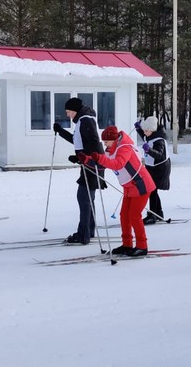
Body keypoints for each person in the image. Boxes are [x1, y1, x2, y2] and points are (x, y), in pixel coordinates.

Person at [80, 126, 156, 256]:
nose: (105, 144)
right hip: (129, 186)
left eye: (106, 142)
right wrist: (85, 160)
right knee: (124, 216)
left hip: (141, 185)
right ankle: (127, 245)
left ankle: (142, 246)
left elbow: (117, 164)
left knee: (134, 216)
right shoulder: (112, 149)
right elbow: (103, 163)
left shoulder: (124, 147)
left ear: (113, 139)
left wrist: (99, 158)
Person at [53, 97, 106, 245]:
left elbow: (94, 143)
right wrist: (61, 131)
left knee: (83, 197)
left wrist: (84, 158)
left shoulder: (85, 120)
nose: (67, 115)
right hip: (90, 164)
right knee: (87, 198)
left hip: (92, 165)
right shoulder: (83, 120)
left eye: (68, 112)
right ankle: (88, 230)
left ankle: (84, 234)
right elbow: (79, 142)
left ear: (75, 110)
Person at [134, 116, 170, 224]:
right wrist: (138, 129)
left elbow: (159, 155)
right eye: (144, 130)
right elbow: (145, 135)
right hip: (152, 168)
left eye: (146, 130)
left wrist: (148, 150)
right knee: (153, 191)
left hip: (160, 169)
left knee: (151, 190)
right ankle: (158, 213)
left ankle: (153, 215)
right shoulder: (150, 135)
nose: (144, 133)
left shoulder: (159, 141)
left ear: (152, 130)